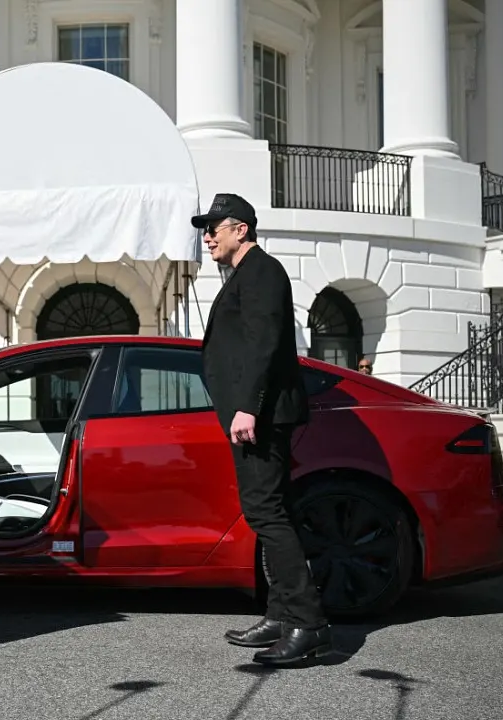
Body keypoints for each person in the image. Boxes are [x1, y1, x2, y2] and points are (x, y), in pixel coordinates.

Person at [194, 192, 332, 666]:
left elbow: (265, 344)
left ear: (241, 230)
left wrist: (248, 407)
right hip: (258, 412)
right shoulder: (246, 274)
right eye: (204, 228)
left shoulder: (261, 272)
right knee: (274, 512)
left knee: (266, 513)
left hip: (262, 415)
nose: (207, 235)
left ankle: (308, 624)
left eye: (215, 226)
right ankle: (280, 615)